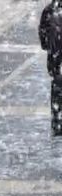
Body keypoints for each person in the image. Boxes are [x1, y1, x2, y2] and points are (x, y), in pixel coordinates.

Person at [40, 0, 62, 136]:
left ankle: (57, 120)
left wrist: (50, 47)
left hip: (56, 60)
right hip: (56, 59)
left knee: (58, 88)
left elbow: (43, 39)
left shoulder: (49, 10)